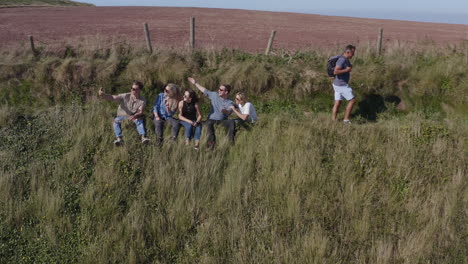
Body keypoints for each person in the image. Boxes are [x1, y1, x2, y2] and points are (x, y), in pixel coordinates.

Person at [187, 77, 235, 147]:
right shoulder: (214, 95)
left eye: (221, 90)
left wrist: (225, 111)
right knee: (208, 123)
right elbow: (204, 90)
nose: (218, 90)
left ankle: (231, 141)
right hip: (211, 119)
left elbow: (229, 112)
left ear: (226, 92)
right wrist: (195, 83)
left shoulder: (230, 102)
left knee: (231, 122)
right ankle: (211, 143)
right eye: (219, 89)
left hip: (222, 121)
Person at [98, 81, 150, 145]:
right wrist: (103, 95)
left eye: (134, 89)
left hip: (133, 116)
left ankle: (143, 137)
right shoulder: (125, 96)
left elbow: (140, 111)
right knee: (116, 121)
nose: (131, 90)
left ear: (139, 90)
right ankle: (119, 138)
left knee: (139, 120)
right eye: (131, 88)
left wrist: (135, 116)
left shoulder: (142, 100)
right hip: (122, 116)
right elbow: (113, 97)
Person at [332, 44, 356, 124]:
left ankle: (333, 120)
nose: (353, 54)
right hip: (341, 85)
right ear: (348, 52)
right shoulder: (342, 60)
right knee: (352, 100)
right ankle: (346, 120)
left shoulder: (344, 59)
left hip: (337, 84)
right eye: (352, 53)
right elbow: (336, 71)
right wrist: (347, 70)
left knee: (338, 102)